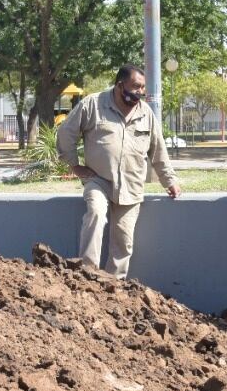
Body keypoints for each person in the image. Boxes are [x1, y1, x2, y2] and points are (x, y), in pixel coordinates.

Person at [56, 65, 180, 279]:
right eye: (135, 86)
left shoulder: (145, 113)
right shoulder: (93, 105)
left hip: (131, 184)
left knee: (123, 240)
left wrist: (169, 181)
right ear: (120, 85)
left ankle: (113, 284)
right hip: (98, 179)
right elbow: (66, 133)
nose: (140, 92)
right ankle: (87, 275)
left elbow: (158, 150)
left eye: (142, 87)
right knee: (95, 212)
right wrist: (75, 165)